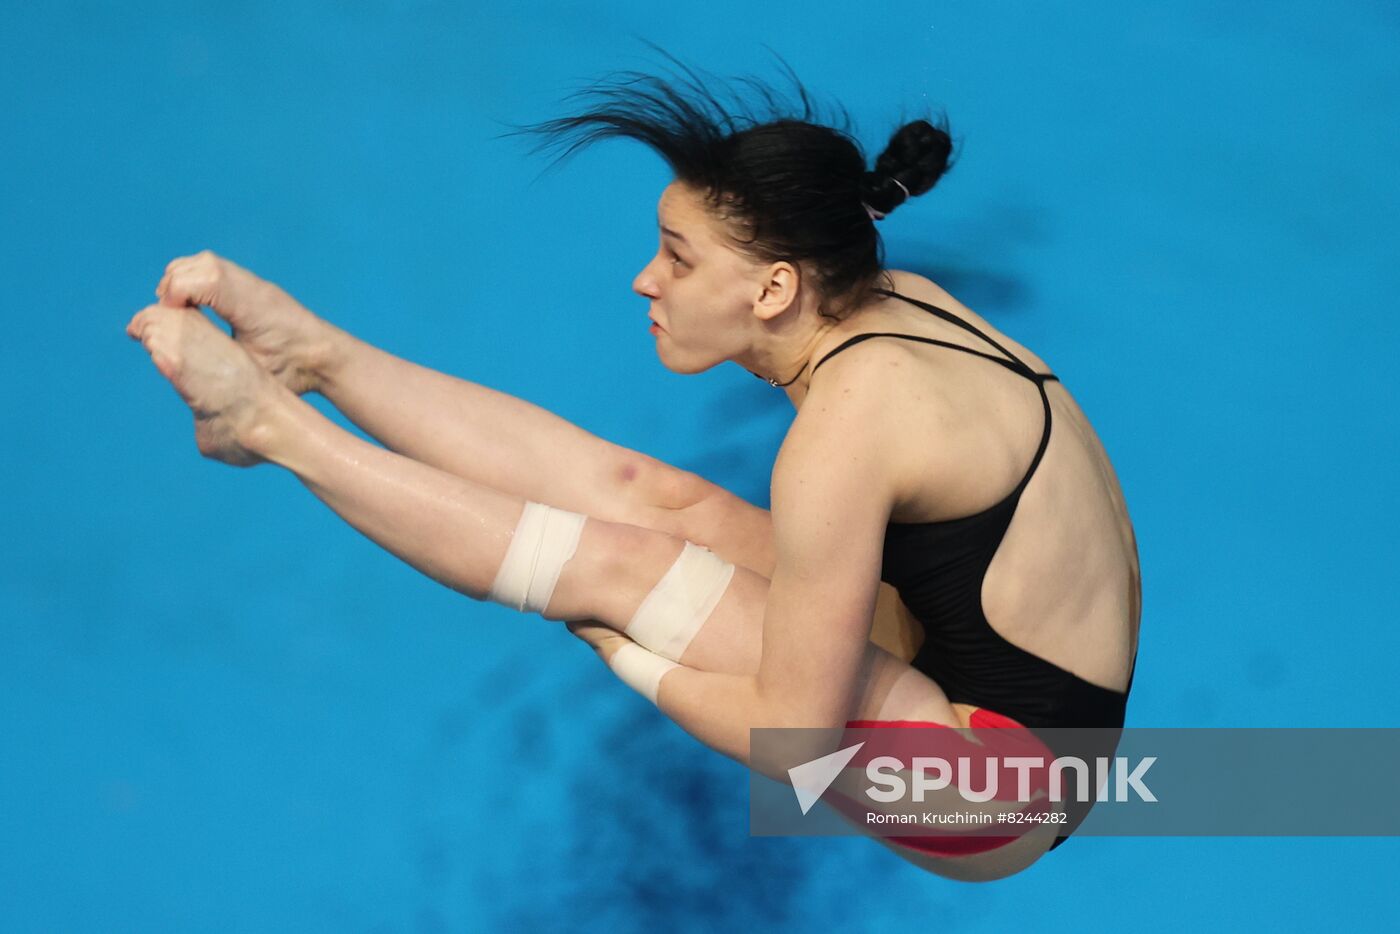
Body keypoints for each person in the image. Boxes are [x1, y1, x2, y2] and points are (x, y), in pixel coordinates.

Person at [126, 58, 1139, 882]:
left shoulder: (844, 430)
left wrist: (637, 658)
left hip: (994, 797)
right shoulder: (899, 300)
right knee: (656, 501)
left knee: (622, 575)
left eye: (678, 257)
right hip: (989, 680)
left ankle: (266, 423)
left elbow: (792, 746)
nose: (644, 279)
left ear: (775, 285)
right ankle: (316, 357)